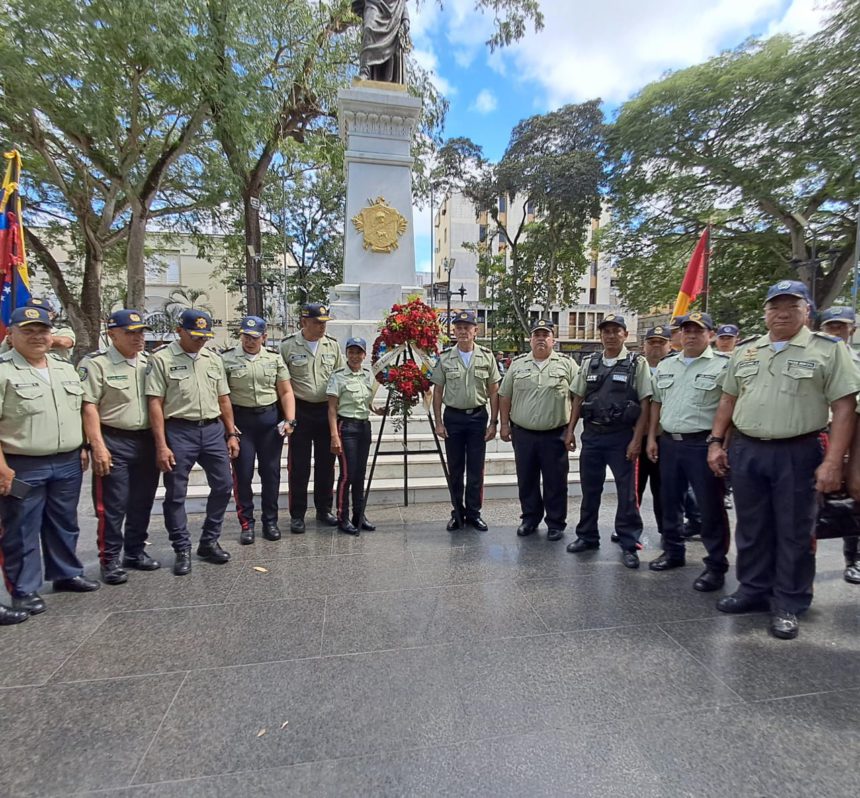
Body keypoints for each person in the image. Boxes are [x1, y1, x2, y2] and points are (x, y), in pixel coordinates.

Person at [708, 280, 860, 639]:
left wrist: (833, 462)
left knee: (794, 530)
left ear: (807, 311)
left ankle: (789, 601)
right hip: (747, 449)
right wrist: (716, 443)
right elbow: (728, 400)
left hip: (799, 450)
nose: (782, 313)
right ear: (765, 312)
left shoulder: (827, 350)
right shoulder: (747, 351)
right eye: (775, 306)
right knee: (751, 525)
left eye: (792, 306)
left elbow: (844, 408)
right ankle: (752, 589)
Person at [0, 305, 100, 620]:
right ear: (11, 334)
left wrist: (86, 445)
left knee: (64, 522)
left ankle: (66, 573)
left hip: (67, 460)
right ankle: (24, 589)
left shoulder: (62, 368)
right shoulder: (4, 371)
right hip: (22, 463)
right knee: (22, 527)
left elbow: (80, 408)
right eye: (27, 331)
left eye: (42, 331)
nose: (36, 337)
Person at [146, 309, 240, 575]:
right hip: (179, 430)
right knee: (176, 493)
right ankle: (181, 547)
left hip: (212, 430)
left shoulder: (212, 359)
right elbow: (155, 402)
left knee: (223, 486)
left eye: (205, 336)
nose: (201, 341)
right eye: (195, 336)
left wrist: (231, 433)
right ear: (179, 331)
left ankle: (209, 541)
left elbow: (223, 399)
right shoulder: (162, 359)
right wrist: (161, 444)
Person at [646, 312, 731, 590]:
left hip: (702, 444)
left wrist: (721, 445)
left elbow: (729, 408)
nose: (691, 335)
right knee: (669, 501)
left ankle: (716, 565)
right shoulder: (669, 365)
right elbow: (657, 404)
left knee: (710, 507)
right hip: (669, 442)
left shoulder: (723, 366)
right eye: (686, 330)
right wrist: (652, 438)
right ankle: (673, 551)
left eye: (698, 330)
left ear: (711, 335)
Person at [79, 309, 161, 585]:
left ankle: (135, 551)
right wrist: (96, 445)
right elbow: (88, 406)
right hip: (114, 439)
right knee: (112, 505)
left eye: (140, 332)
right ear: (112, 334)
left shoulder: (148, 362)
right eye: (130, 333)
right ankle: (110, 558)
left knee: (143, 500)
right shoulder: (96, 365)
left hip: (147, 440)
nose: (138, 338)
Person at [566, 314, 652, 568]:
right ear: (600, 335)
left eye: (616, 331)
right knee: (590, 490)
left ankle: (629, 543)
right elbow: (578, 398)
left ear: (625, 334)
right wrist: (570, 430)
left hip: (621, 437)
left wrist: (637, 439)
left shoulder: (637, 363)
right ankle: (587, 536)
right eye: (606, 331)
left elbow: (645, 401)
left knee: (626, 494)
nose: (611, 335)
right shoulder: (590, 362)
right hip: (592, 435)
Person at [498, 319, 578, 541]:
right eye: (537, 335)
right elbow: (505, 396)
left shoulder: (567, 364)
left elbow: (578, 396)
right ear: (531, 340)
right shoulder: (518, 364)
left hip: (555, 433)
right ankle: (530, 518)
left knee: (556, 480)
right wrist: (504, 424)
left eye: (545, 335)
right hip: (523, 433)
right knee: (527, 478)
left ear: (553, 340)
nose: (541, 339)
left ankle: (555, 523)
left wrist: (572, 430)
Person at [222, 315, 295, 545]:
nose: (249, 341)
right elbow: (222, 397)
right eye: (246, 336)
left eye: (254, 337)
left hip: (268, 423)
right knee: (243, 474)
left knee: (271, 474)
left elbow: (285, 392)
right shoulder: (227, 359)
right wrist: (229, 429)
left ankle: (270, 521)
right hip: (241, 423)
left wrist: (290, 420)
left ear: (264, 337)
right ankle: (247, 524)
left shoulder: (274, 359)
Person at [430, 310, 501, 532]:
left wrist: (494, 422)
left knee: (475, 469)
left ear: (475, 331)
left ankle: (474, 513)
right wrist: (438, 422)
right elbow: (438, 392)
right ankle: (457, 513)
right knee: (456, 468)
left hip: (478, 418)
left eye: (466, 327)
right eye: (458, 328)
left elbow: (494, 392)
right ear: (454, 331)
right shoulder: (445, 358)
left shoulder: (487, 357)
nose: (462, 331)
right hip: (453, 418)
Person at [280, 303, 344, 533]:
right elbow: (281, 384)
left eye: (324, 323)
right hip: (300, 411)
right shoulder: (287, 346)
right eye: (317, 322)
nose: (321, 327)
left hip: (326, 411)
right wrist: (286, 417)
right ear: (304, 322)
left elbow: (340, 378)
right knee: (299, 466)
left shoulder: (333, 346)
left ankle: (323, 509)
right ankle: (297, 514)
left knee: (326, 464)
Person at [818, 305, 860, 584]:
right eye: (830, 326)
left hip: (851, 435)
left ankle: (853, 557)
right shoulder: (814, 357)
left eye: (841, 326)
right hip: (818, 433)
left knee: (851, 496)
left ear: (852, 330)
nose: (835, 331)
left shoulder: (856, 361)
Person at [327, 337, 379, 535]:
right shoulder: (338, 376)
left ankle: (359, 515)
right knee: (347, 475)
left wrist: (376, 409)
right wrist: (334, 435)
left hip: (364, 427)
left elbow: (365, 402)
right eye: (351, 352)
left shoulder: (367, 376)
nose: (355, 356)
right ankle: (343, 516)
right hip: (346, 427)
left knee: (360, 475)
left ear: (364, 355)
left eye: (359, 352)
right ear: (346, 354)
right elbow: (332, 408)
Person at [635, 324, 672, 542]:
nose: (656, 347)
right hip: (637, 439)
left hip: (664, 438)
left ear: (669, 345)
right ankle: (630, 528)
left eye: (661, 342)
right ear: (643, 346)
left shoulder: (676, 368)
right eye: (651, 342)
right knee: (634, 489)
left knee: (663, 489)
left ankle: (665, 529)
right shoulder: (634, 368)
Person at [351, 0, 410, 84]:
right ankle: (364, 71)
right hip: (373, 3)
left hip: (394, 9)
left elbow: (402, 2)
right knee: (368, 29)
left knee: (392, 44)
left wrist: (405, 19)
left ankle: (388, 80)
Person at [0, 297, 76, 361]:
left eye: (42, 311)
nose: (36, 314)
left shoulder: (63, 331)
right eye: (32, 311)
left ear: (51, 315)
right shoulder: (12, 336)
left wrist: (24, 340)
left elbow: (63, 342)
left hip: (56, 371)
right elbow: (3, 354)